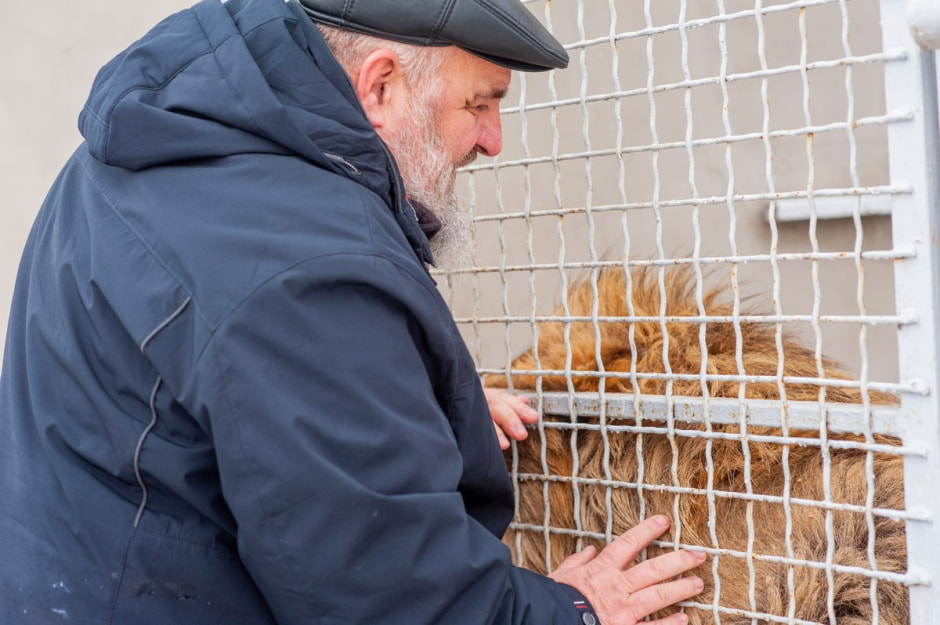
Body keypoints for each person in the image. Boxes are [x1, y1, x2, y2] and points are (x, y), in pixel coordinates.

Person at [0, 0, 706, 623]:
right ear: (380, 85)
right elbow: (395, 598)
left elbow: (213, 392)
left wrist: (391, 400)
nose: (494, 139)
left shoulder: (159, 138)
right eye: (479, 103)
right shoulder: (309, 264)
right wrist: (573, 611)